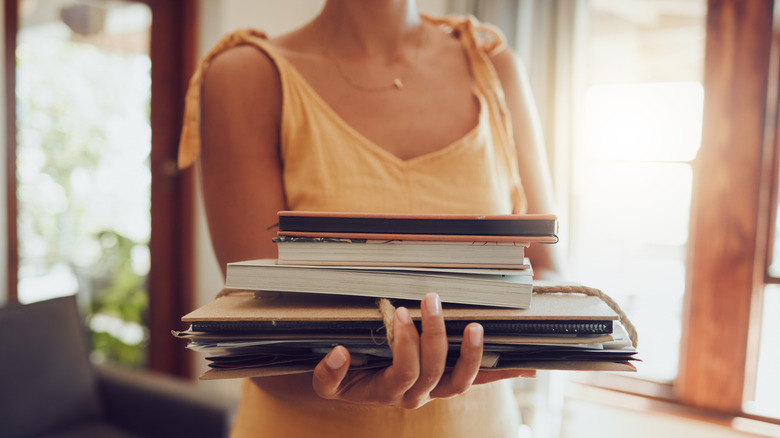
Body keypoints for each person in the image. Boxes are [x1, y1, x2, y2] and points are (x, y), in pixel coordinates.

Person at [178, 0, 560, 436]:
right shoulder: (245, 75)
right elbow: (258, 334)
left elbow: (545, 268)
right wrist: (362, 378)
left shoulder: (494, 65)